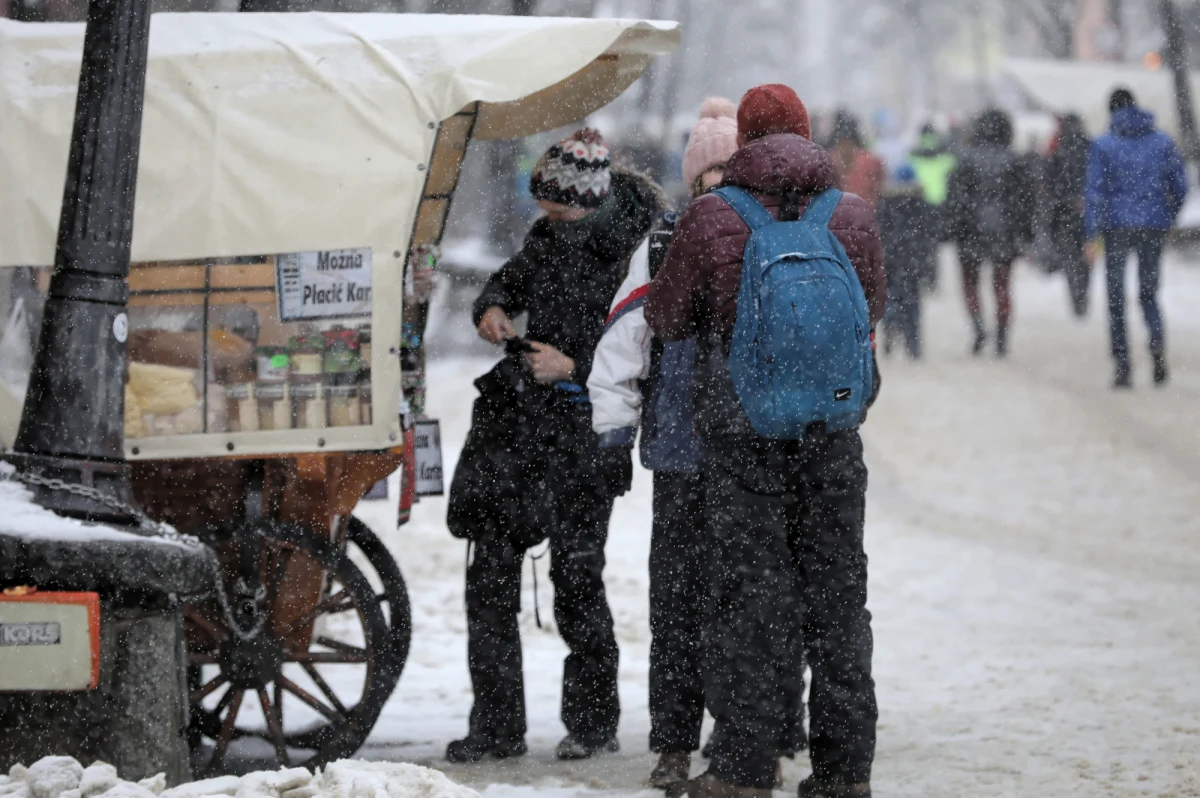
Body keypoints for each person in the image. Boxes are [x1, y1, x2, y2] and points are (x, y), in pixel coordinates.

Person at [646, 83, 884, 798]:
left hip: (742, 434)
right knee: (840, 600)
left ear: (744, 140)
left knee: (751, 598)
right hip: (833, 433)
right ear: (808, 134)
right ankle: (844, 772)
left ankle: (745, 768)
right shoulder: (854, 216)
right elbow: (871, 305)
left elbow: (667, 320)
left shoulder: (713, 217)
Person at [445, 128, 663, 763]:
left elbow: (642, 356)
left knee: (576, 577)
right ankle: (496, 726)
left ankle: (592, 724)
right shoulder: (546, 238)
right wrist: (491, 308)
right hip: (517, 433)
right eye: (542, 205)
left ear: (587, 203)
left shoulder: (633, 258)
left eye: (557, 206)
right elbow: (508, 281)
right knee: (489, 575)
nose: (545, 215)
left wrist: (571, 365)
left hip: (584, 439)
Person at [1084, 87, 1188, 388]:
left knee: (1116, 298)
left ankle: (1123, 366)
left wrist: (1092, 233)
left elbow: (1095, 193)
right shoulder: (1162, 142)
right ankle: (1156, 347)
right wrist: (1168, 215)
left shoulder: (1104, 145)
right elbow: (1180, 187)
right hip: (1153, 226)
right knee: (1149, 293)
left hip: (1116, 228)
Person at [945, 108, 1033, 358]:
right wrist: (1023, 231)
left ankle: (979, 327)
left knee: (970, 284)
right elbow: (1025, 201)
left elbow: (956, 199)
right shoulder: (1015, 160)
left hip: (971, 229)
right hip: (1004, 230)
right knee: (1002, 286)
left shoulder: (965, 158)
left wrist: (953, 228)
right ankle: (1002, 337)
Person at [878, 164, 935, 359]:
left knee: (890, 299)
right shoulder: (921, 204)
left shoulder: (886, 202)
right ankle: (913, 344)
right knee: (912, 303)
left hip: (890, 259)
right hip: (912, 261)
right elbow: (928, 238)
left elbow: (880, 233)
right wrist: (929, 267)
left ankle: (890, 328)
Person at [1044, 115, 1093, 317]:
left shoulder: (1057, 147)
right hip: (1088, 210)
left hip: (1063, 210)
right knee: (1087, 255)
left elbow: (1048, 179)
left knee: (1069, 256)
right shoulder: (1090, 146)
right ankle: (1083, 289)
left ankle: (1076, 295)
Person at [908, 123, 958, 291]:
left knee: (919, 243)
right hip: (938, 205)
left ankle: (921, 274)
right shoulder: (944, 155)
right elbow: (953, 165)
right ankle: (932, 279)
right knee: (933, 245)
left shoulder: (913, 155)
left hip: (918, 203)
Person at [830, 108, 886, 210]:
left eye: (847, 142)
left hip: (863, 214)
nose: (844, 148)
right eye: (841, 143)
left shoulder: (870, 162)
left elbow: (879, 190)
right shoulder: (830, 163)